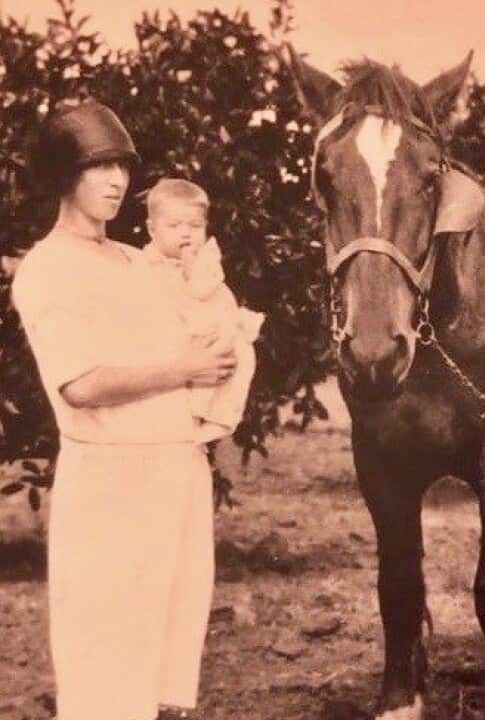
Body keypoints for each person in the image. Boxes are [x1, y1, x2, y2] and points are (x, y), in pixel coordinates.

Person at [12, 99, 238, 720]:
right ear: (64, 174)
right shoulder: (48, 268)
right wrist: (186, 370)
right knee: (107, 668)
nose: (116, 181)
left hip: (176, 472)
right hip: (113, 485)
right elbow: (80, 384)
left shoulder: (139, 261)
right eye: (98, 166)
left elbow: (195, 329)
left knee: (165, 657)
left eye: (122, 167)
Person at [142, 178, 263, 441]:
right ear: (152, 230)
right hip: (172, 343)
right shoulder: (144, 264)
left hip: (208, 330)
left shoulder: (206, 260)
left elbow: (212, 295)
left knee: (242, 354)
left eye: (195, 226)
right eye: (174, 226)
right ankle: (194, 413)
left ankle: (221, 417)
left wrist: (196, 273)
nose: (186, 233)